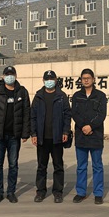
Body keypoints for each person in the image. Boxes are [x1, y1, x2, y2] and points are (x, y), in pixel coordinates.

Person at [0, 66, 31, 204]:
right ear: (3, 77)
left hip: (14, 136)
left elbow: (26, 113)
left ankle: (11, 192)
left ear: (15, 76)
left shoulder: (22, 92)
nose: (10, 77)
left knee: (13, 165)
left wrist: (25, 133)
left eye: (12, 74)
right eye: (7, 74)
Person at [31, 70, 71, 203]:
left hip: (57, 137)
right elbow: (33, 116)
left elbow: (67, 115)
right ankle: (40, 191)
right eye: (47, 79)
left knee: (58, 166)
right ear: (43, 80)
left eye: (51, 79)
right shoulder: (38, 96)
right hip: (42, 138)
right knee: (41, 166)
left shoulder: (61, 96)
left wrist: (65, 132)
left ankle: (58, 192)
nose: (49, 81)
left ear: (55, 80)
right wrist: (33, 133)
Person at [71, 68, 107, 205]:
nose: (86, 80)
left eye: (88, 78)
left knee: (97, 166)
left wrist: (91, 126)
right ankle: (81, 192)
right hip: (81, 135)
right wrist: (84, 127)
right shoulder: (77, 96)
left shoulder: (100, 96)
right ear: (81, 80)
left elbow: (101, 114)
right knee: (81, 166)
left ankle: (98, 193)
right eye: (83, 78)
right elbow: (74, 113)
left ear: (93, 79)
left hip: (95, 135)